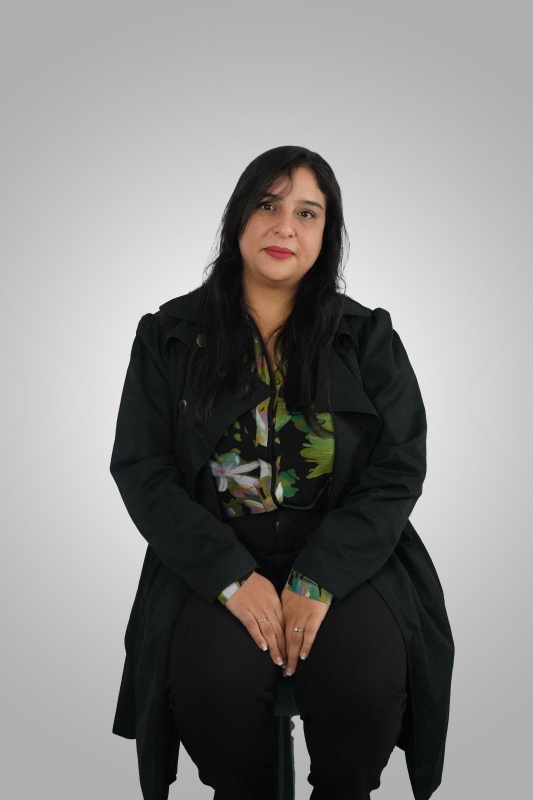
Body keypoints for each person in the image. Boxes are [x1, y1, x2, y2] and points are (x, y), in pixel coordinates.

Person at [109, 145, 454, 800]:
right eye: (267, 205)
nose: (284, 227)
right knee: (212, 688)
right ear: (238, 216)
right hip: (211, 562)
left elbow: (400, 465)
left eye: (307, 213)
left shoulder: (367, 337)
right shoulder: (167, 336)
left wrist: (318, 577)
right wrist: (230, 578)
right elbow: (141, 468)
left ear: (326, 234)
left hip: (348, 560)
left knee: (364, 690)